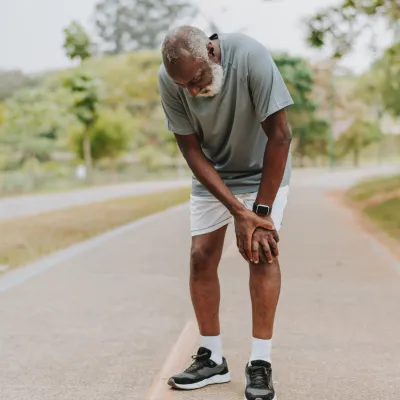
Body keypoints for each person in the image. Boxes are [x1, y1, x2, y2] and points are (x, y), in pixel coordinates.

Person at [158, 25, 293, 400]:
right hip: (214, 174)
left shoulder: (250, 56)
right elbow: (189, 148)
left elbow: (280, 135)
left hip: (264, 168)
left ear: (211, 54)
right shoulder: (172, 78)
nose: (190, 91)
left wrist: (259, 215)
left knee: (261, 252)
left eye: (195, 79)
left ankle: (260, 362)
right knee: (201, 256)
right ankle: (212, 358)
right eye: (182, 84)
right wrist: (237, 211)